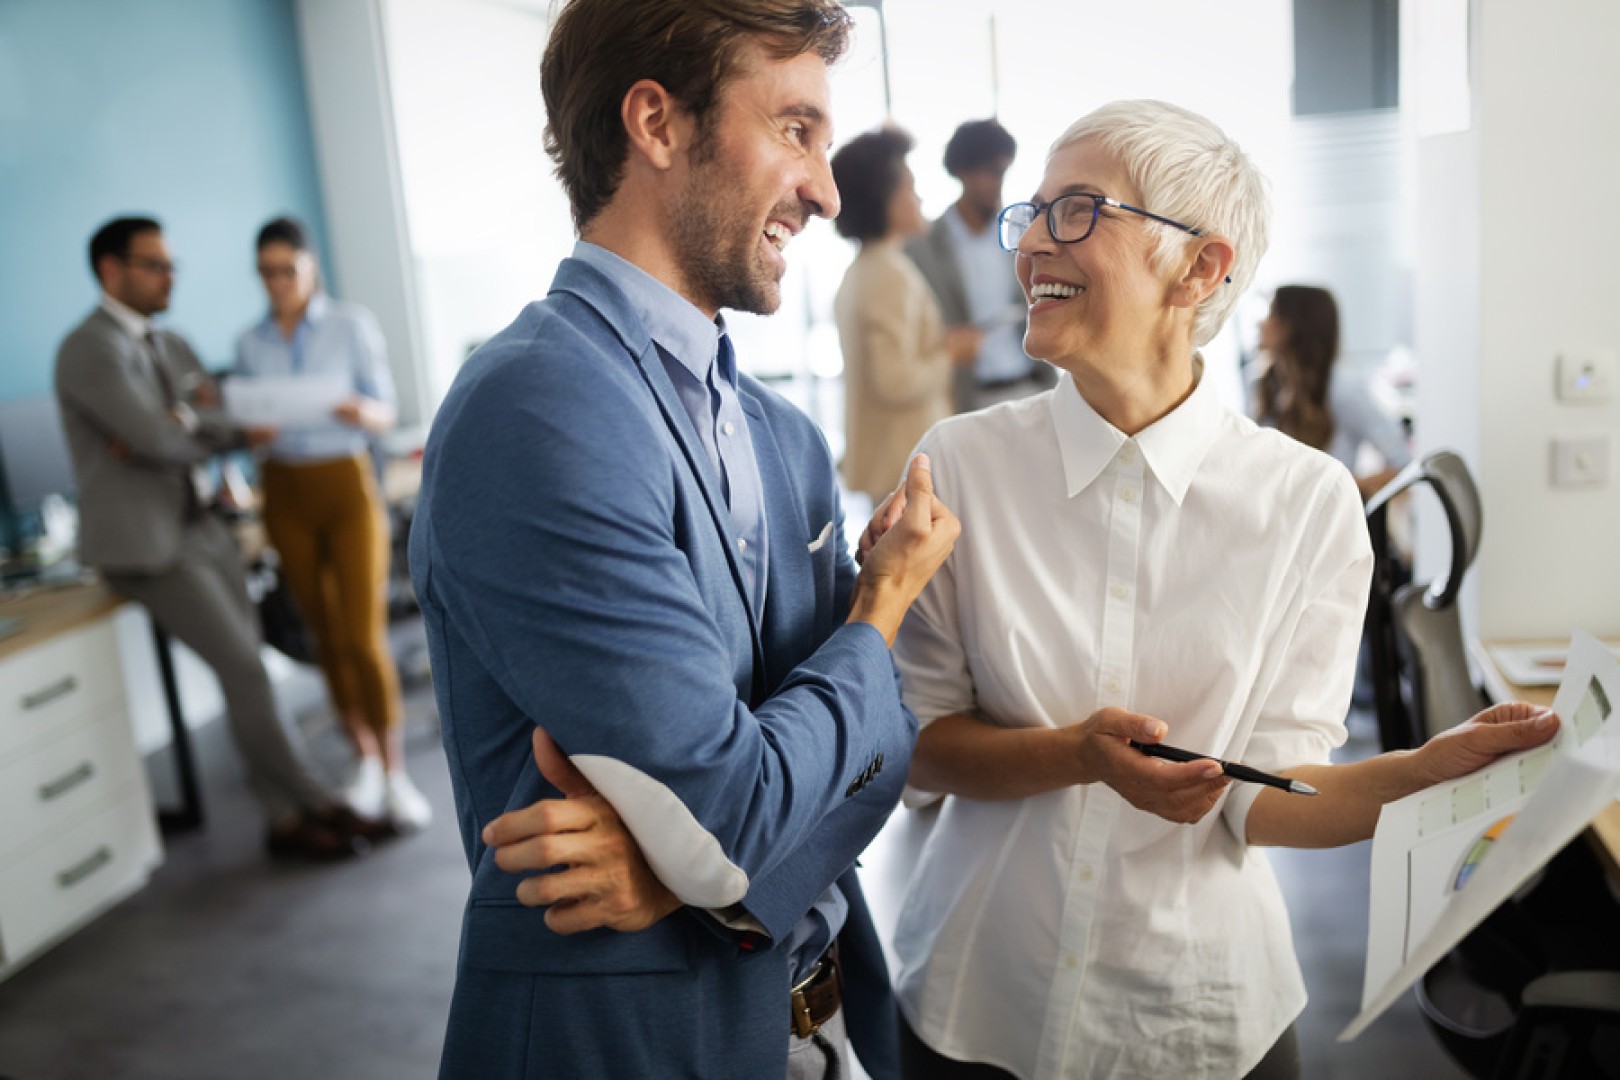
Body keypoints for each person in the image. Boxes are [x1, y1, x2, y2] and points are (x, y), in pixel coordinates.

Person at [860, 101, 1557, 1079]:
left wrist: (1425, 770)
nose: (1033, 247)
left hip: (1193, 1018)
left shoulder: (1307, 503)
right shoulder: (960, 467)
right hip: (981, 998)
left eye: (1081, 211)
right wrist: (1076, 755)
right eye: (1036, 211)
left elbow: (1263, 797)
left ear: (1200, 268)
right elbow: (919, 750)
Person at [406, 2, 958, 1077]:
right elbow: (741, 802)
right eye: (795, 129)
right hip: (640, 1044)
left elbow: (883, 755)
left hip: (830, 1024)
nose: (827, 190)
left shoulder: (782, 437)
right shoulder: (535, 408)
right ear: (656, 124)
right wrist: (877, 610)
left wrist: (686, 868)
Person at [55, 216, 389, 861]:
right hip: (150, 547)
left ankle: (284, 820)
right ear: (111, 270)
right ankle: (317, 801)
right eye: (154, 264)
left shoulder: (171, 342)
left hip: (203, 526)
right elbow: (161, 437)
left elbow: (215, 412)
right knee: (246, 669)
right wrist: (189, 427)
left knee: (248, 672)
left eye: (170, 263)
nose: (170, 276)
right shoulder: (88, 349)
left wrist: (186, 422)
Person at [234, 215, 430, 832]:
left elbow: (384, 412)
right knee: (321, 631)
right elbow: (249, 427)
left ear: (310, 267)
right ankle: (364, 762)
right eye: (266, 272)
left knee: (361, 632)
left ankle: (396, 773)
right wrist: (251, 432)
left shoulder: (350, 326)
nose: (277, 283)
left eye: (286, 270)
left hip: (345, 482)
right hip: (283, 488)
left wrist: (353, 408)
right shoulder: (250, 342)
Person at [831, 127, 972, 502]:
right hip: (903, 462)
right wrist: (951, 354)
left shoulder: (864, 269)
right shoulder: (887, 274)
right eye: (910, 188)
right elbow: (894, 380)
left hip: (893, 461)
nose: (920, 198)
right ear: (885, 200)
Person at [906, 118, 1055, 413]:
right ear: (962, 171)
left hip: (1033, 388)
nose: (999, 183)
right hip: (968, 399)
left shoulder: (1021, 235)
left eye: (1004, 172)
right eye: (992, 172)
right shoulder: (924, 248)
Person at [1252, 284, 1413, 499]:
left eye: (1272, 314)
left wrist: (1336, 491)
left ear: (1296, 326)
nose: (1261, 324)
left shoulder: (1342, 390)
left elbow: (1403, 465)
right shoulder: (1266, 385)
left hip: (1322, 523)